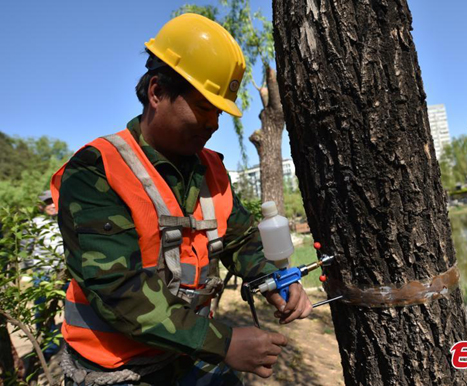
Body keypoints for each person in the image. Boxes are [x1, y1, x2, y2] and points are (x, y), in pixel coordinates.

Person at [51, 13, 312, 386]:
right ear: (157, 92)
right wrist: (223, 344)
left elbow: (240, 240)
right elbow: (118, 290)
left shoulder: (211, 169)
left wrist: (276, 282)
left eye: (219, 112)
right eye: (204, 108)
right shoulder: (97, 171)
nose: (214, 124)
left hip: (187, 355)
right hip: (118, 371)